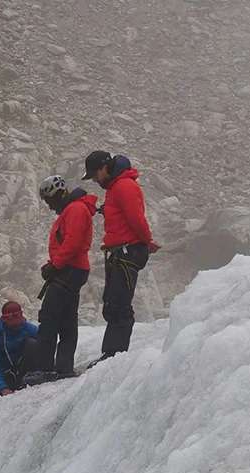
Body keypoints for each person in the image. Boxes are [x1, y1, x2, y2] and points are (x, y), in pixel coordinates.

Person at [81, 150, 160, 362]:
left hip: (127, 251)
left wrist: (146, 241)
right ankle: (111, 354)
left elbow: (136, 219)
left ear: (104, 168)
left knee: (119, 305)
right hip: (120, 251)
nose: (95, 180)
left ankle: (114, 357)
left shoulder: (124, 186)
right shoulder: (116, 186)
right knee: (112, 302)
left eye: (95, 174)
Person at [23, 175, 99, 388]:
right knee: (66, 320)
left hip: (68, 269)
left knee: (48, 317)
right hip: (74, 270)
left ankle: (46, 369)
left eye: (49, 201)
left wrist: (54, 265)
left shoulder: (75, 210)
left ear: (58, 194)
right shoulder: (75, 209)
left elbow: (72, 243)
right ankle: (64, 368)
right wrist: (53, 264)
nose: (49, 206)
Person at [0, 301, 39, 398]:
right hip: (7, 374)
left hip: (26, 370)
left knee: (32, 343)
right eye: (13, 323)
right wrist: (2, 388)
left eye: (18, 322)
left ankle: (31, 376)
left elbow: (46, 344)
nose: (16, 325)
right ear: (4, 319)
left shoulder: (28, 328)